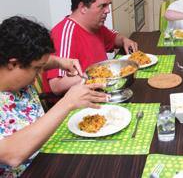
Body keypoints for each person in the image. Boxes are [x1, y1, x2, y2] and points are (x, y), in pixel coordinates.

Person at [0, 16, 108, 177]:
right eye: (37, 69)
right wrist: (67, 103)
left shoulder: (19, 70)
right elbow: (11, 155)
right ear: (13, 64)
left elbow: (42, 60)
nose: (39, 74)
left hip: (48, 157)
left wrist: (61, 62)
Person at [43, 0, 138, 94]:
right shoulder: (64, 33)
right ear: (83, 7)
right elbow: (56, 86)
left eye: (108, 5)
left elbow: (114, 39)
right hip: (77, 106)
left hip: (101, 93)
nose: (108, 10)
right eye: (102, 6)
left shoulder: (96, 26)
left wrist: (124, 40)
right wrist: (95, 77)